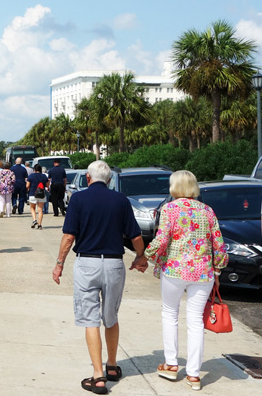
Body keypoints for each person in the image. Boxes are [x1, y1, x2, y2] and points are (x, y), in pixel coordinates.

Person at [51, 160, 147, 395]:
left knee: (90, 319)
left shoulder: (78, 200)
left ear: (87, 177)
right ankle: (112, 366)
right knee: (111, 316)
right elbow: (135, 236)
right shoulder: (121, 200)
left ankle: (98, 376)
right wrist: (141, 257)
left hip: (87, 264)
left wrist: (59, 263)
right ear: (110, 179)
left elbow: (69, 236)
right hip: (114, 263)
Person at [140, 170, 228, 391]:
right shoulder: (207, 210)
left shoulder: (170, 209)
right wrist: (217, 270)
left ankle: (171, 365)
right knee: (196, 321)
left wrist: (146, 255)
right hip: (202, 272)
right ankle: (194, 375)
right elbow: (218, 243)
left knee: (170, 314)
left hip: (175, 270)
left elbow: (161, 239)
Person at [26, 164, 49, 230]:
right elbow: (47, 185)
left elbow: (27, 186)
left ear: (34, 169)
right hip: (41, 194)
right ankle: (39, 224)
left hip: (33, 193)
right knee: (40, 210)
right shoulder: (44, 176)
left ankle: (34, 220)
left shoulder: (31, 176)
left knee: (32, 208)